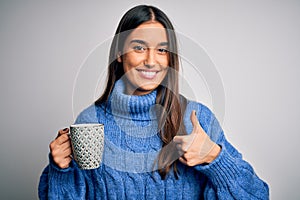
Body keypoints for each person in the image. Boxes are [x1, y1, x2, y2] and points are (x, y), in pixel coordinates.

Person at [38, 5, 269, 199]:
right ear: (120, 53)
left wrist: (214, 158)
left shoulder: (197, 119)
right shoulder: (89, 122)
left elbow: (258, 195)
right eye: (139, 47)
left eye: (161, 50)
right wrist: (61, 170)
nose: (151, 60)